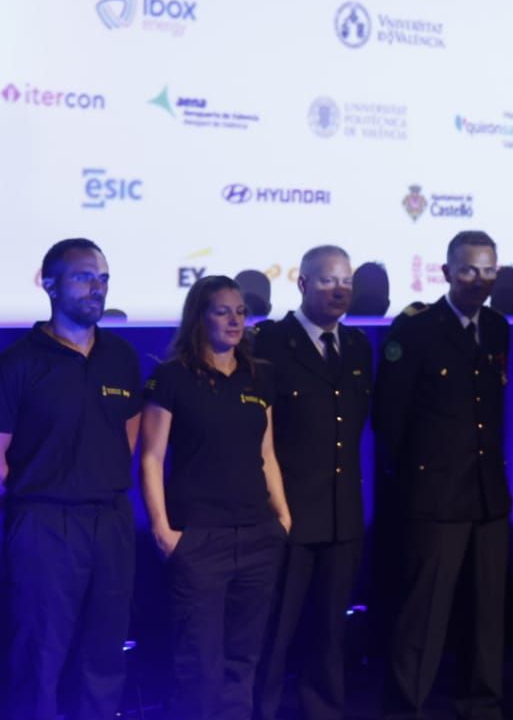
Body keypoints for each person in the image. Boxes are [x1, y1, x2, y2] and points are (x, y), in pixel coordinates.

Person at [140, 275, 292, 720]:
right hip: (199, 541)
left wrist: (282, 517)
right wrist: (163, 531)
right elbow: (151, 457)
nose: (235, 320)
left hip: (258, 538)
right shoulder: (172, 378)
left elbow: (267, 452)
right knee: (199, 667)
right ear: (199, 316)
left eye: (241, 312)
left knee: (242, 663)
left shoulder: (258, 375)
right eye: (223, 311)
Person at [0, 239, 140, 720]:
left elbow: (128, 436)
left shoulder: (121, 357)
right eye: (84, 277)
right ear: (51, 284)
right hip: (43, 523)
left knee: (103, 655)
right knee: (38, 655)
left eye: (103, 279)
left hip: (110, 522)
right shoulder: (19, 363)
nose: (96, 288)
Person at [374, 230, 511, 718]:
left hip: (487, 496)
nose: (481, 280)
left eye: (489, 270)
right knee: (423, 619)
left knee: (487, 618)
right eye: (471, 270)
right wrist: (411, 486)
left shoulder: (497, 327)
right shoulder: (415, 330)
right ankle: (406, 708)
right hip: (433, 499)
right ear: (447, 272)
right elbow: (389, 419)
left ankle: (483, 707)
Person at [251, 246, 372, 720]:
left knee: (330, 632)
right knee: (275, 632)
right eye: (326, 281)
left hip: (342, 516)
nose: (338, 290)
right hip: (288, 515)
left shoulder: (359, 345)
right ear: (302, 284)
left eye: (345, 281)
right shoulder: (270, 343)